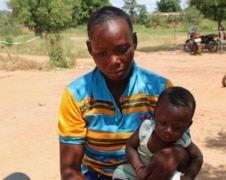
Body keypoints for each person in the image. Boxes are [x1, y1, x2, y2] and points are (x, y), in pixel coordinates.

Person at [57, 6, 189, 180]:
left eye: (122, 50)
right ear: (90, 49)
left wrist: (176, 154)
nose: (113, 62)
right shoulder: (76, 95)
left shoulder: (159, 89)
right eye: (102, 53)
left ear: (134, 42)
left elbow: (185, 150)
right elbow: (70, 171)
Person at [113, 86, 203, 180]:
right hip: (139, 173)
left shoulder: (183, 140)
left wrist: (189, 176)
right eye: (163, 123)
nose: (168, 130)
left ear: (188, 125)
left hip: (167, 176)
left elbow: (198, 157)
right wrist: (139, 168)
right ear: (155, 113)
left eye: (177, 128)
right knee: (120, 172)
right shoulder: (146, 128)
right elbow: (130, 146)